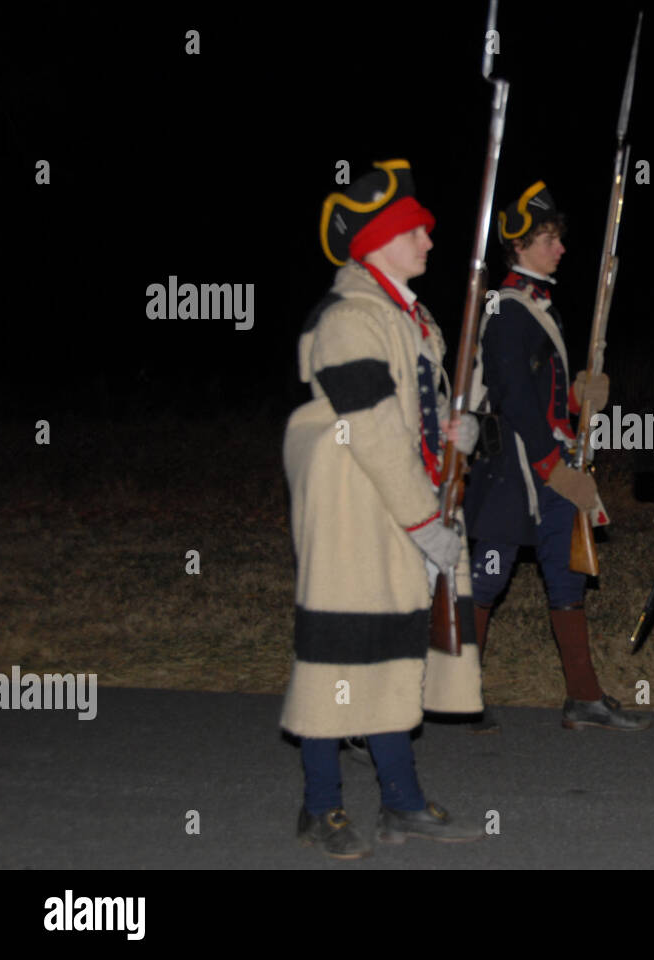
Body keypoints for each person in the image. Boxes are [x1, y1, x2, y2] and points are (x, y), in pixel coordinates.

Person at [281, 159, 483, 859]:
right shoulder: (349, 319)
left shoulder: (412, 317)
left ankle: (399, 803)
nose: (429, 240)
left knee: (395, 650)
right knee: (338, 655)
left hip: (398, 505)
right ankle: (322, 807)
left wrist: (466, 431)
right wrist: (426, 521)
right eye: (415, 230)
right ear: (376, 240)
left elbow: (426, 414)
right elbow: (370, 426)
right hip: (354, 510)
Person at [464, 181, 649, 733]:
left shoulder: (540, 305)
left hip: (552, 460)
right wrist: (554, 469)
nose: (559, 248)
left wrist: (579, 398)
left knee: (567, 573)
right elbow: (514, 399)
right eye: (547, 238)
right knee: (489, 575)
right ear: (518, 245)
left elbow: (546, 397)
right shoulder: (505, 308)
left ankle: (584, 698)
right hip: (515, 469)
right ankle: (452, 691)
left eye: (557, 238)